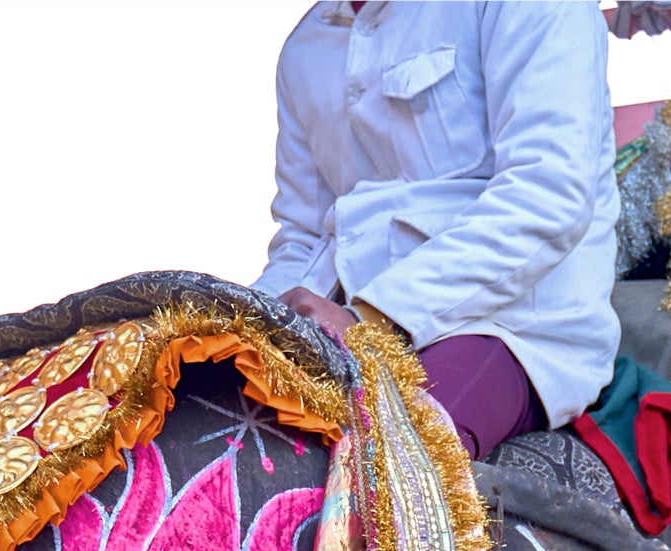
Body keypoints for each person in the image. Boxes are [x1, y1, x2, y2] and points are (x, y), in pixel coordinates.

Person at [255, 0, 621, 459]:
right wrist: (233, 320)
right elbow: (304, 237)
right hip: (349, 325)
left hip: (510, 326)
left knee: (386, 464)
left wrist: (371, 319)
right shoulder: (307, 47)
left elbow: (547, 194)